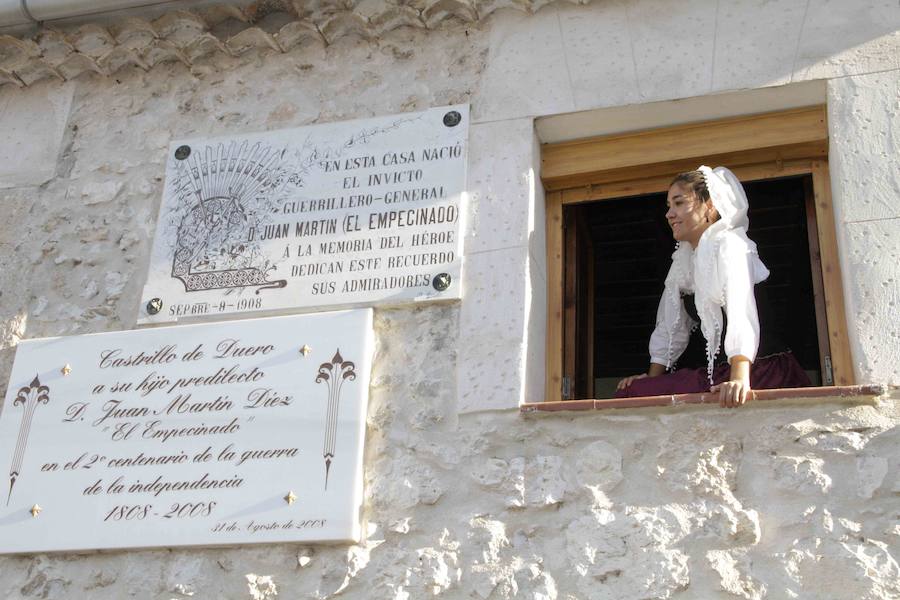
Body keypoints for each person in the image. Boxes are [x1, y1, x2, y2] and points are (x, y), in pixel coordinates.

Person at [615, 166, 810, 407]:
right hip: (720, 373)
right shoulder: (683, 261)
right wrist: (651, 381)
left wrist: (739, 379)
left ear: (709, 206)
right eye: (669, 205)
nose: (669, 214)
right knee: (633, 392)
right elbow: (671, 328)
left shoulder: (731, 245)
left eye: (679, 203)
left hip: (761, 371)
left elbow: (741, 310)